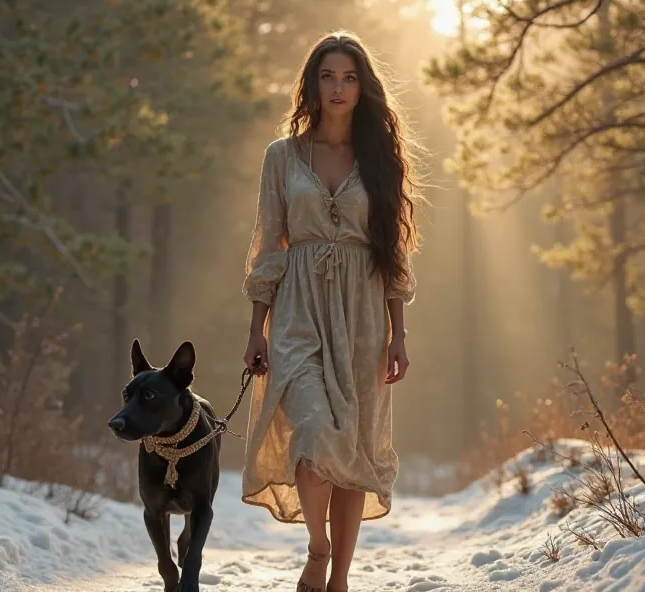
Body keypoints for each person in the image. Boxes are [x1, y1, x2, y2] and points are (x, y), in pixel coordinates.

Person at [239, 30, 422, 592]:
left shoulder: (382, 160)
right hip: (297, 311)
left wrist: (399, 333)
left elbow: (394, 254)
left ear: (363, 86)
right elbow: (269, 244)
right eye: (327, 76)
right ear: (311, 85)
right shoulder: (283, 156)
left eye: (349, 77)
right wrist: (256, 329)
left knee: (354, 451)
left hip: (364, 314)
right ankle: (317, 548)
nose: (338, 87)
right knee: (313, 437)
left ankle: (338, 579)